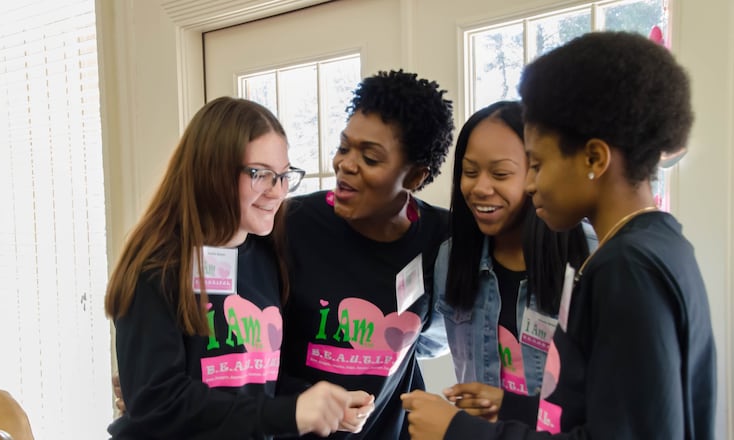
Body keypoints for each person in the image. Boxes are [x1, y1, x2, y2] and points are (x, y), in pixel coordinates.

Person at [401, 31, 717, 439]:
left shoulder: (625, 268)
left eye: (539, 163)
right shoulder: (662, 244)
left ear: (593, 158)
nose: (532, 185)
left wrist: (458, 431)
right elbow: (614, 410)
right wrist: (511, 405)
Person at [104, 96, 373, 440]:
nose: (277, 191)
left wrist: (321, 402)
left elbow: (254, 381)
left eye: (283, 175)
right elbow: (159, 403)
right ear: (211, 170)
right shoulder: (157, 267)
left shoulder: (265, 256)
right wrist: (289, 414)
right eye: (260, 174)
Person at [278, 69, 455, 439]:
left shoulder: (442, 238)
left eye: (370, 158)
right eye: (344, 147)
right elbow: (247, 352)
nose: (345, 164)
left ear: (415, 177)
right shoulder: (290, 225)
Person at [433, 100, 593, 425]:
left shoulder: (588, 256)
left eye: (500, 173)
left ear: (537, 173)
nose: (480, 188)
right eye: (469, 171)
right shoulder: (451, 258)